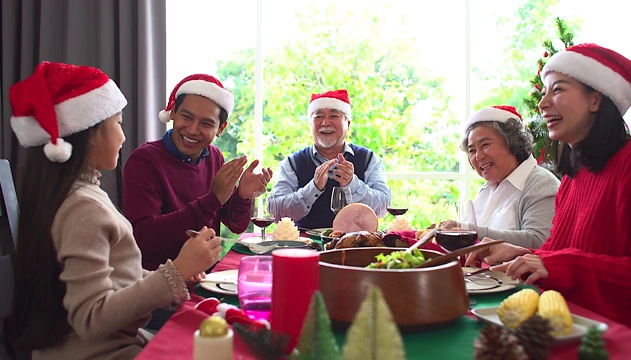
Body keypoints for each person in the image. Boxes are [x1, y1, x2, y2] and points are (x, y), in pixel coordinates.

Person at [7, 62, 221, 359]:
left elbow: (116, 279)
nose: (122, 137)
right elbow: (92, 318)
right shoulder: (82, 208)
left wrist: (175, 277)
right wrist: (174, 273)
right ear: (92, 132)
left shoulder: (79, 195)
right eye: (118, 123)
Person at [466, 43, 631, 332]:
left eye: (557, 90)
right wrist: (520, 253)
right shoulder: (574, 177)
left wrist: (558, 266)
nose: (542, 103)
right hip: (569, 328)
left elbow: (570, 265)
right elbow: (557, 253)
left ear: (596, 98)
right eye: (544, 91)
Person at [123, 74, 273, 271]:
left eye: (206, 123)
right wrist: (212, 199)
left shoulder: (214, 156)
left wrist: (243, 196)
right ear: (173, 112)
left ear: (221, 128)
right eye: (186, 117)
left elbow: (236, 225)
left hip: (206, 278)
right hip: (159, 283)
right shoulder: (144, 160)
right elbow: (144, 238)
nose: (193, 130)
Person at [267, 89, 391, 229]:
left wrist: (352, 184)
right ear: (310, 124)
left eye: (333, 116)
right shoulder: (292, 163)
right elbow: (275, 211)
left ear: (348, 123)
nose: (325, 123)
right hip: (303, 246)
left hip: (355, 245)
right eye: (318, 116)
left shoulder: (369, 159)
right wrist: (312, 188)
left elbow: (383, 208)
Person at [440, 105, 559, 248]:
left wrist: (469, 230)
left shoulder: (541, 184)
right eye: (472, 150)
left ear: (512, 143)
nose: (478, 156)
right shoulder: (488, 188)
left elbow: (539, 241)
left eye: (485, 145)